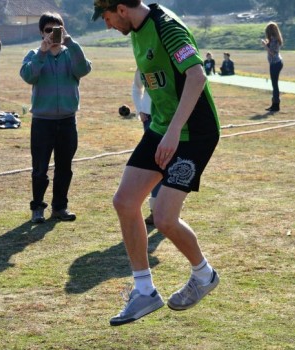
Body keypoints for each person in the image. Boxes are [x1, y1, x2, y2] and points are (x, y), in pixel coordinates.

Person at [93, 0, 221, 326]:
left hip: (194, 133)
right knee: (125, 202)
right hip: (162, 127)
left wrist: (175, 131)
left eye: (107, 18)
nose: (107, 25)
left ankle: (203, 276)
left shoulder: (167, 27)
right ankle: (145, 291)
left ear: (121, 9)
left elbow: (196, 77)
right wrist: (161, 125)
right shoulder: (136, 29)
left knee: (163, 218)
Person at [20, 12, 92, 224]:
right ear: (41, 33)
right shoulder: (34, 54)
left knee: (65, 167)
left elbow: (84, 69)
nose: (52, 34)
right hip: (42, 122)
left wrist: (71, 42)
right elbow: (28, 75)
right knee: (40, 169)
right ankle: (38, 207)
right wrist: (41, 53)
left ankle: (60, 207)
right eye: (48, 30)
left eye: (56, 29)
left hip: (68, 121)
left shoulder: (71, 54)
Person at [132, 69, 162, 226]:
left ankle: (171, 210)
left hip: (170, 118)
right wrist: (140, 110)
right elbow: (136, 88)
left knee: (170, 165)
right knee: (154, 164)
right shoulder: (143, 65)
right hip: (149, 119)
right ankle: (155, 211)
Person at [261, 22, 283, 112]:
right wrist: (267, 44)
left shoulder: (275, 40)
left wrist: (265, 46)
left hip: (275, 64)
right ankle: (274, 104)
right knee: (274, 85)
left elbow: (273, 53)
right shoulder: (273, 39)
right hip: (274, 63)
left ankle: (276, 105)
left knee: (275, 85)